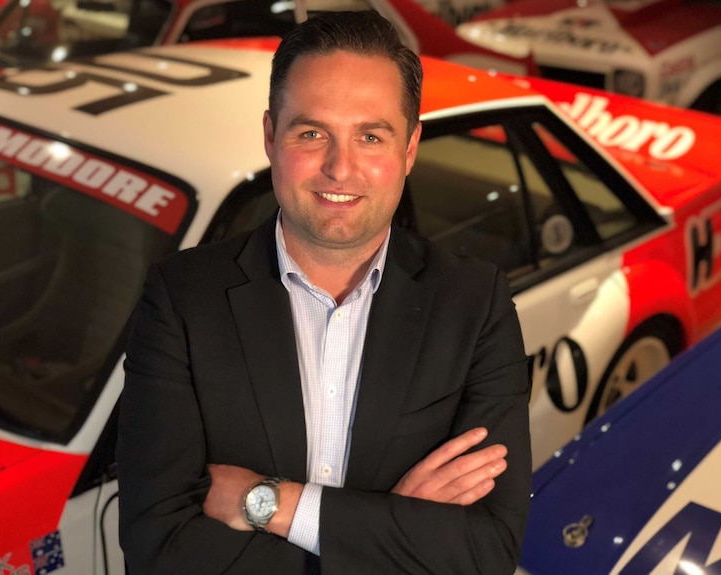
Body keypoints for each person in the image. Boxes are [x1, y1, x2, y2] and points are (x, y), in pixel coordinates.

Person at [117, 10, 531, 574]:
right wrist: (392, 528)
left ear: (409, 148)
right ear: (271, 137)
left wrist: (272, 503)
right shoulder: (182, 299)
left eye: (370, 136)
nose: (340, 167)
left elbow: (487, 550)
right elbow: (157, 548)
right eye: (312, 133)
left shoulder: (475, 303)